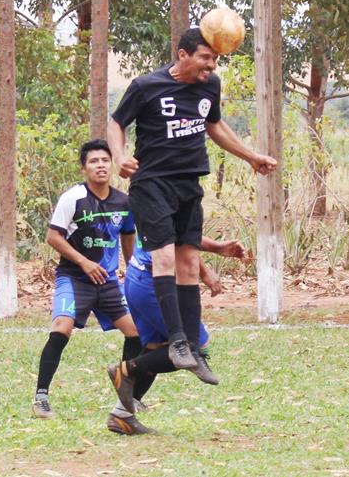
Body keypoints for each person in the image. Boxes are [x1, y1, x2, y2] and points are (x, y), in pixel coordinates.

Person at [107, 27, 276, 376]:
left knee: (189, 260)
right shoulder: (146, 86)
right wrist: (118, 156)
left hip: (188, 183)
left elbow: (214, 126)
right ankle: (179, 340)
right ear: (182, 55)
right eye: (204, 57)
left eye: (214, 59)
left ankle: (192, 350)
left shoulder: (209, 86)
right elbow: (115, 123)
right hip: (152, 183)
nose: (211, 65)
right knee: (165, 256)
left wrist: (250, 156)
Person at [32, 139, 145, 432]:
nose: (100, 165)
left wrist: (132, 274)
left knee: (136, 331)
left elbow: (128, 240)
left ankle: (127, 394)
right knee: (61, 327)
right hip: (75, 278)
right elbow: (53, 237)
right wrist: (84, 263)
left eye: (105, 160)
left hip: (107, 283)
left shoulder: (124, 202)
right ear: (84, 168)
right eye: (93, 161)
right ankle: (41, 396)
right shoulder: (73, 198)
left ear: (112, 165)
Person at [105, 235, 244, 430]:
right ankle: (126, 370)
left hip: (139, 277)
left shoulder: (153, 204)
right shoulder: (167, 204)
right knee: (192, 345)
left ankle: (121, 416)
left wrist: (206, 266)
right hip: (151, 283)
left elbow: (181, 237)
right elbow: (179, 236)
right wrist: (214, 254)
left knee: (156, 349)